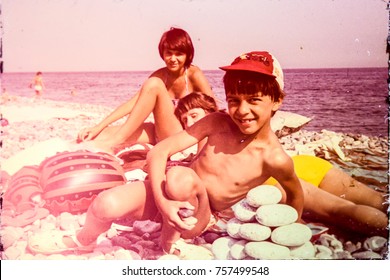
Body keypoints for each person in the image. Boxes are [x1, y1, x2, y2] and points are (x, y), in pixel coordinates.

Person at [28, 51, 388, 257]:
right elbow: (162, 153)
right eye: (234, 100)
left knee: (356, 214)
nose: (242, 110)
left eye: (254, 100)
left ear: (277, 102)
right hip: (173, 196)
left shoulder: (274, 158)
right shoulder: (215, 123)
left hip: (204, 214)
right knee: (106, 206)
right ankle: (80, 242)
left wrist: (285, 231)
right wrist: (162, 201)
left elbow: (294, 195)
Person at [174, 92, 387, 214]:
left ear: (211, 112)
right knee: (373, 203)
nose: (191, 123)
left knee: (344, 211)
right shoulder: (233, 129)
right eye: (185, 121)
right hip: (298, 166)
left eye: (194, 115)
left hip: (270, 182)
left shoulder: (211, 135)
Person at [77, 27, 214, 151]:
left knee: (154, 84)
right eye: (169, 53)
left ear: (187, 54)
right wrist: (98, 126)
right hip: (159, 132)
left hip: (182, 137)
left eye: (179, 54)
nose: (173, 59)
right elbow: (132, 104)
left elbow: (213, 109)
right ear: (163, 53)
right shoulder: (161, 75)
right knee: (101, 134)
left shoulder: (193, 74)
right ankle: (75, 148)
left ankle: (115, 142)